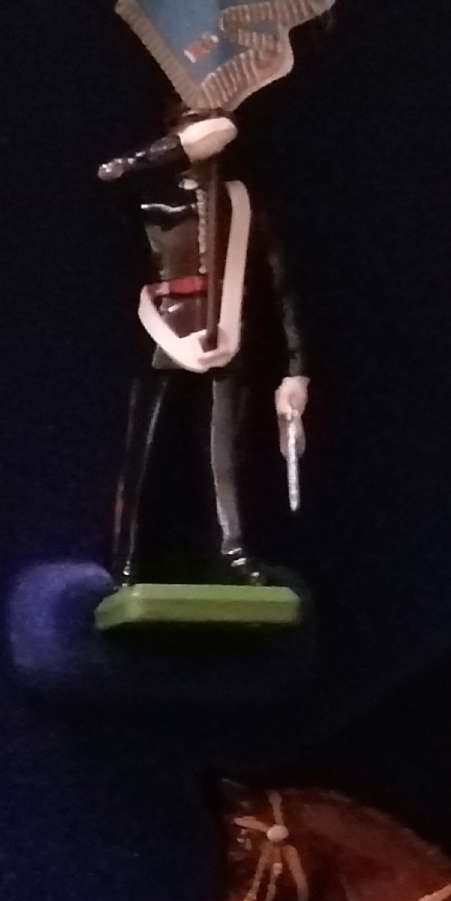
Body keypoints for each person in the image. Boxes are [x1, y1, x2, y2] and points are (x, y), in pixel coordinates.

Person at [95, 113, 310, 585]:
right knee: (145, 455)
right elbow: (108, 179)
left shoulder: (242, 202)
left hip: (227, 333)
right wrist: (175, 149)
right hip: (164, 333)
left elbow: (281, 290)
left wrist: (295, 367)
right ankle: (127, 556)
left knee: (225, 454)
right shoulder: (149, 198)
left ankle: (231, 550)